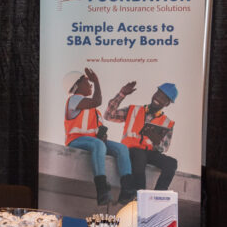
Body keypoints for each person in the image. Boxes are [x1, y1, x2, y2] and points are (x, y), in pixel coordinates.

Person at [63, 68, 134, 205]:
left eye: (91, 82)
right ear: (76, 86)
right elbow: (97, 101)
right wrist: (96, 81)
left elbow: (98, 133)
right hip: (75, 140)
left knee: (122, 149)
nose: (90, 84)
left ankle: (127, 191)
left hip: (94, 142)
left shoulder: (95, 112)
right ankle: (102, 189)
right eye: (87, 82)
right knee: (98, 145)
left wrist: (103, 136)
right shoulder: (74, 99)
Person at [104, 82, 177, 191]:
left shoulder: (168, 123)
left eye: (163, 97)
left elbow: (164, 147)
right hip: (130, 151)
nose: (158, 98)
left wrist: (155, 140)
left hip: (150, 153)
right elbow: (109, 116)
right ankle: (139, 192)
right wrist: (121, 94)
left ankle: (158, 194)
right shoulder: (133, 110)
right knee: (140, 155)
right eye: (158, 93)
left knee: (171, 163)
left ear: (167, 103)